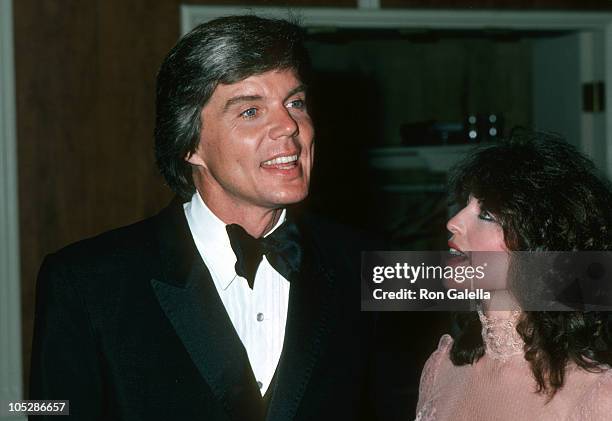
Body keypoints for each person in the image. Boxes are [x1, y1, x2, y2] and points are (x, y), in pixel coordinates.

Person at [30, 15, 376, 420]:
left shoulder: (366, 263)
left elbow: (461, 300)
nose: (289, 126)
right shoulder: (84, 282)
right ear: (190, 143)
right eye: (250, 111)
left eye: (295, 103)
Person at [415, 130, 612, 420]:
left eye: (486, 215)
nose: (453, 222)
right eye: (464, 204)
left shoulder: (595, 395)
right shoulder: (441, 367)